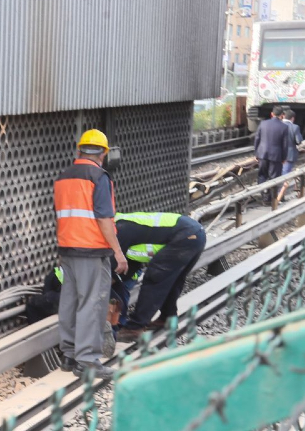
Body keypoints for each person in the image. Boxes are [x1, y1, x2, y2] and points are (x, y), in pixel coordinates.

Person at [53, 129, 127, 380]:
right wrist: (118, 252)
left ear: (79, 150)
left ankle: (69, 355)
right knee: (92, 304)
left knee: (70, 302)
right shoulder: (99, 177)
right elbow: (104, 219)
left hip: (68, 250)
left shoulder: (64, 177)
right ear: (103, 153)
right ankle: (87, 360)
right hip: (92, 250)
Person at [113, 212, 207, 340]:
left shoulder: (119, 231)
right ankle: (168, 318)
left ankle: (134, 328)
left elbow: (115, 269)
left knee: (155, 279)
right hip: (194, 233)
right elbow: (129, 268)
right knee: (172, 281)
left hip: (185, 235)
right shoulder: (124, 224)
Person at [253, 106, 291, 200]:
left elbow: (257, 139)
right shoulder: (284, 127)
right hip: (276, 156)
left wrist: (256, 154)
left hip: (262, 154)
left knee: (262, 175)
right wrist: (284, 158)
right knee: (274, 177)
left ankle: (264, 196)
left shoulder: (263, 123)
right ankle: (271, 198)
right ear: (282, 115)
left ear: (272, 114)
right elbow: (285, 145)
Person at [279, 109, 304, 201]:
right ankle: (280, 196)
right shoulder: (295, 127)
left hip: (277, 155)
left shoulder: (278, 125)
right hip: (289, 155)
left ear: (283, 116)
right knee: (285, 175)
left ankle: (274, 196)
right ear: (292, 118)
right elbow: (298, 141)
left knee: (276, 174)